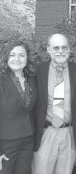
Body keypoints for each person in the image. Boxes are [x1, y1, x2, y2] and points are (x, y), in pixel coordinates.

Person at [32, 33, 76, 174]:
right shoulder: (36, 71)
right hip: (45, 133)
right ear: (48, 49)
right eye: (56, 47)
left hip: (69, 133)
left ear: (69, 49)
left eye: (64, 47)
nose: (60, 51)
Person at [0, 41, 36, 174]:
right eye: (12, 55)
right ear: (6, 58)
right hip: (5, 143)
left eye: (21, 55)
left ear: (27, 58)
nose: (17, 59)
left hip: (28, 139)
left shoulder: (31, 79)